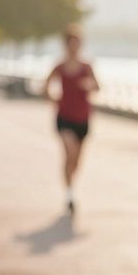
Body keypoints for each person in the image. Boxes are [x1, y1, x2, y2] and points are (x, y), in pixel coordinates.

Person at [44, 26, 99, 214]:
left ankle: (71, 186)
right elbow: (46, 86)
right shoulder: (59, 66)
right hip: (64, 117)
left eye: (77, 44)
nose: (74, 48)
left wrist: (89, 85)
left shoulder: (86, 67)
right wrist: (54, 101)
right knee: (69, 153)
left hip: (83, 118)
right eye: (71, 44)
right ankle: (69, 194)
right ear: (66, 46)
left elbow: (97, 87)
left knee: (76, 161)